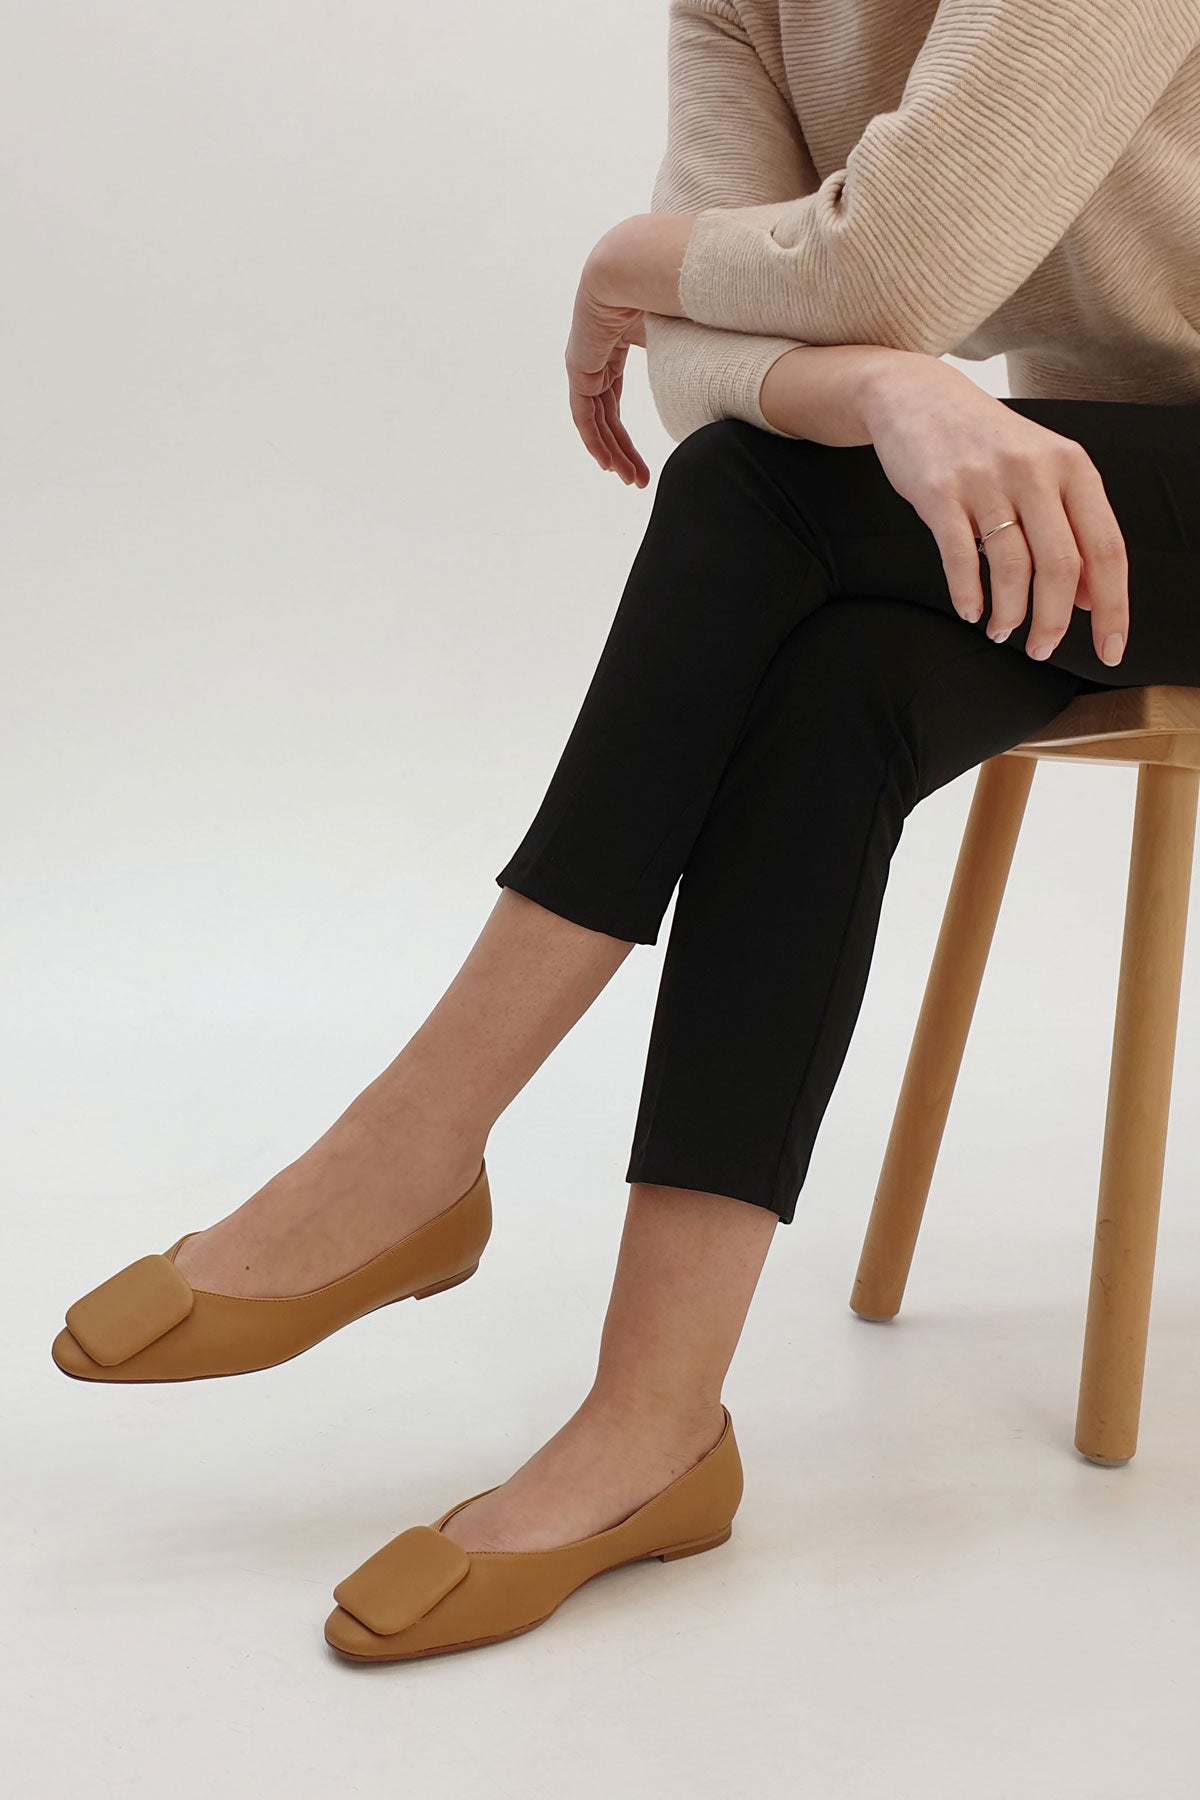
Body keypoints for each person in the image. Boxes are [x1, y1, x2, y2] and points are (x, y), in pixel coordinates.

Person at [51, 0, 1200, 1665]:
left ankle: (413, 1148)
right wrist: (883, 386)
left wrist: (640, 259)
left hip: (1120, 487)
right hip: (1080, 487)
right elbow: (708, 367)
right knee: (830, 681)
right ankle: (653, 1427)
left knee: (754, 499)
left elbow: (899, 262)